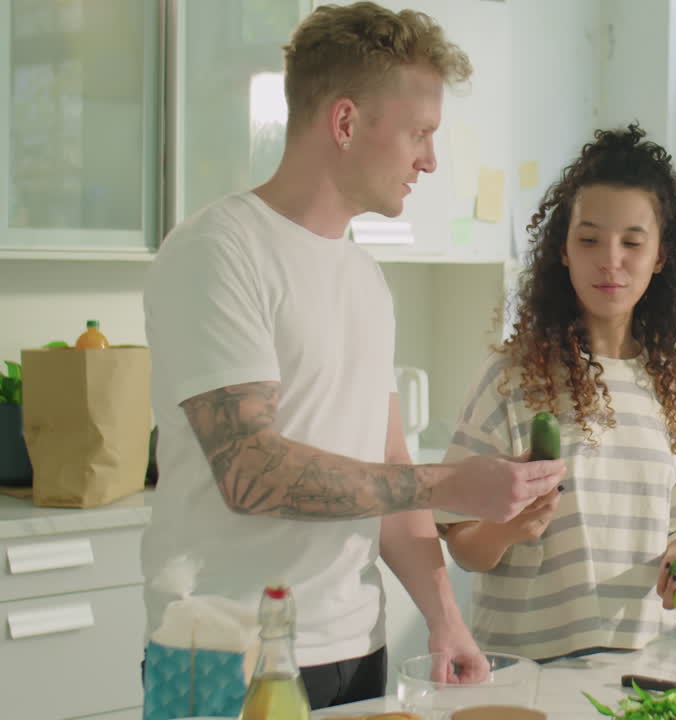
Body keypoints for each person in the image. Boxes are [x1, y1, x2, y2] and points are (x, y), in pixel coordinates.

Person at [141, 2, 564, 708]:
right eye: (419, 134)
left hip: (352, 646)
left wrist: (445, 619)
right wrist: (453, 485)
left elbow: (390, 469)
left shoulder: (364, 277)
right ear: (344, 123)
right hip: (220, 651)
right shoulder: (218, 252)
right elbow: (250, 472)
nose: (429, 159)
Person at [436, 125, 676, 662]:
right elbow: (461, 543)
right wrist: (506, 530)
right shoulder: (512, 379)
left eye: (632, 242)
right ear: (564, 252)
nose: (610, 260)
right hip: (524, 671)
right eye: (589, 239)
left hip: (642, 670)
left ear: (662, 255)